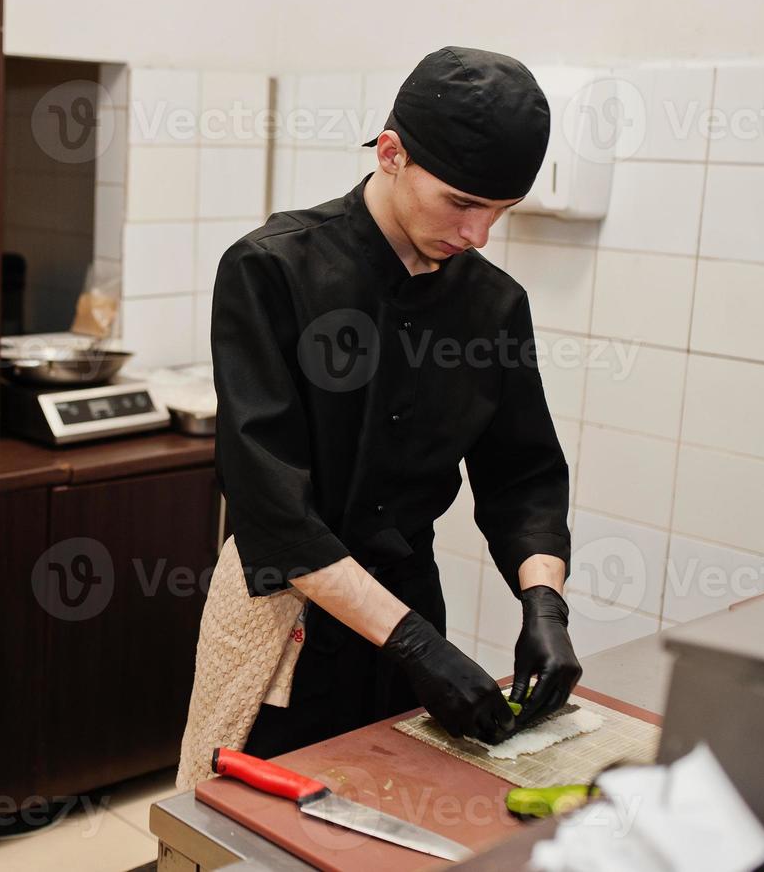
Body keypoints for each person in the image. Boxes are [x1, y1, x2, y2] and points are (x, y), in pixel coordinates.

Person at [178, 46, 581, 787]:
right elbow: (272, 508)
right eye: (461, 203)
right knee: (255, 834)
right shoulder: (271, 269)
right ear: (390, 153)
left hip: (410, 607)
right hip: (286, 617)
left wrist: (543, 604)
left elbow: (521, 474)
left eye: (499, 212)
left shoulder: (491, 304)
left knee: (392, 821)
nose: (477, 234)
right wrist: (416, 648)